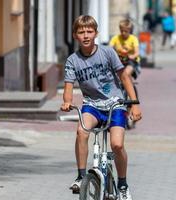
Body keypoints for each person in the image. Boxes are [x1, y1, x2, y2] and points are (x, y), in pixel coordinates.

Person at [61, 15, 141, 200]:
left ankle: (122, 185)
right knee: (81, 132)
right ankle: (81, 176)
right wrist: (67, 101)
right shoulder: (73, 60)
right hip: (92, 105)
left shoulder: (107, 53)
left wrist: (135, 104)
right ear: (75, 35)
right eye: (81, 32)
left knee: (117, 144)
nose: (86, 35)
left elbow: (124, 77)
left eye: (89, 31)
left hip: (116, 104)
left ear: (96, 33)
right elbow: (68, 87)